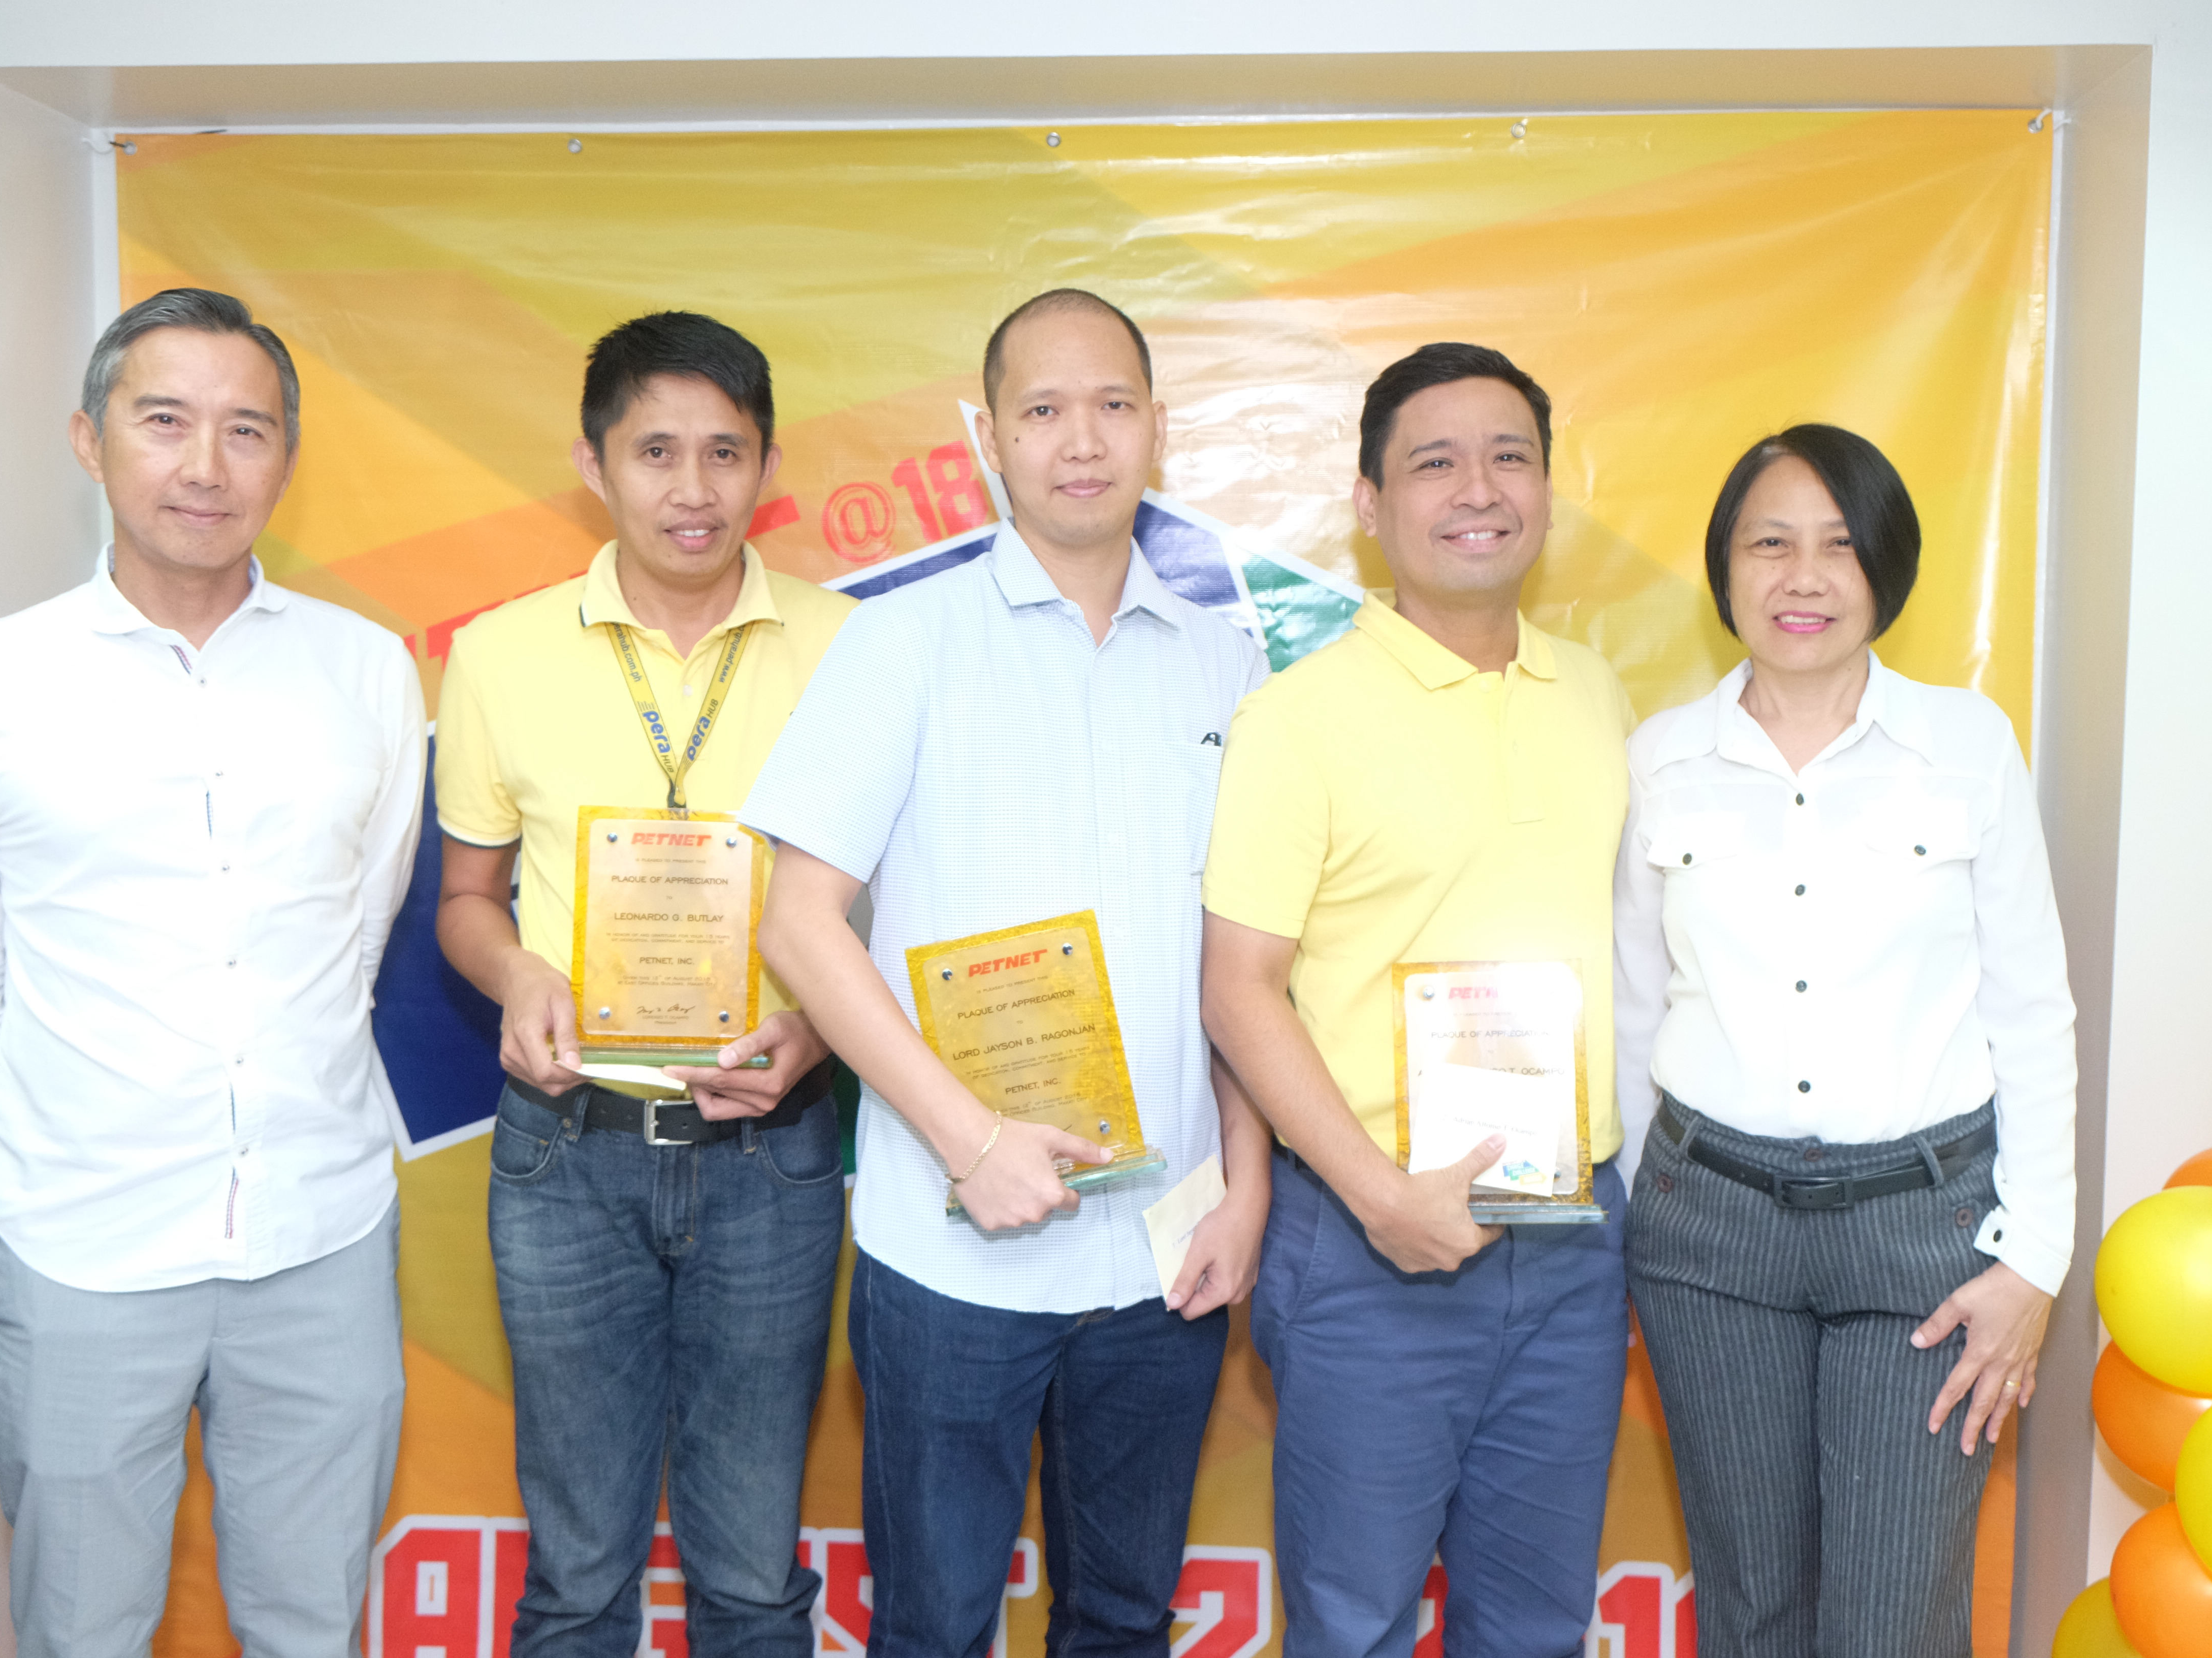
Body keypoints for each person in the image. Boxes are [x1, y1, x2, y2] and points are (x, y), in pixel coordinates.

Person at [0, 288, 425, 1657]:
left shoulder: (366, 672)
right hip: (85, 1247)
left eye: (247, 431)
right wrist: (75, 1134)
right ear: (90, 438)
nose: (206, 466)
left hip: (322, 1234)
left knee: (310, 1620)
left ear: (286, 460)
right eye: (165, 421)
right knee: (81, 1625)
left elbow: (352, 940)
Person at [744, 288, 1269, 1655]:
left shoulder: (1231, 663)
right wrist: (969, 1140)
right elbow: (801, 923)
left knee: (1120, 1622)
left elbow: (1249, 963)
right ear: (989, 436)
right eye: (1042, 411)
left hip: (1168, 1255)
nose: (1079, 440)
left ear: (1159, 426)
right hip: (951, 1247)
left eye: (1110, 405)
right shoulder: (901, 645)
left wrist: (1250, 1184)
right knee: (935, 1627)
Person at [1200, 342, 1634, 1653]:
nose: (1477, 489)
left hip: (1571, 1239)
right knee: (1353, 1624)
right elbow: (1239, 988)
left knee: (1537, 1626)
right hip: (1368, 1244)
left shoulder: (1599, 697)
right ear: (1371, 504)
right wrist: (1382, 1199)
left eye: (1509, 456)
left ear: (1547, 491)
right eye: (1433, 461)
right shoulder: (1299, 716)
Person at [1612, 424, 2073, 1657]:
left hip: (1922, 1233)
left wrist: (2032, 1261)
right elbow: (1634, 1006)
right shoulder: (1664, 760)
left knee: (1893, 1621)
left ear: (1886, 569)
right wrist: (1633, 1212)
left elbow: (2033, 1005)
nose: (1802, 577)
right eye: (1770, 544)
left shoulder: (1967, 746)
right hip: (1711, 1231)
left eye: (1837, 545)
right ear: (1727, 570)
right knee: (1750, 1608)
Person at [433, 311, 852, 1656]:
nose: (694, 487)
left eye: (726, 452)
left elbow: (896, 907)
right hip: (569, 1154)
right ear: (593, 463)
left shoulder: (856, 650)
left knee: (748, 1579)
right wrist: (520, 978)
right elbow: (463, 901)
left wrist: (821, 1033)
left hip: (772, 1157)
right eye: (657, 450)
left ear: (766, 464)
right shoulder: (500, 652)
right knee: (576, 1579)